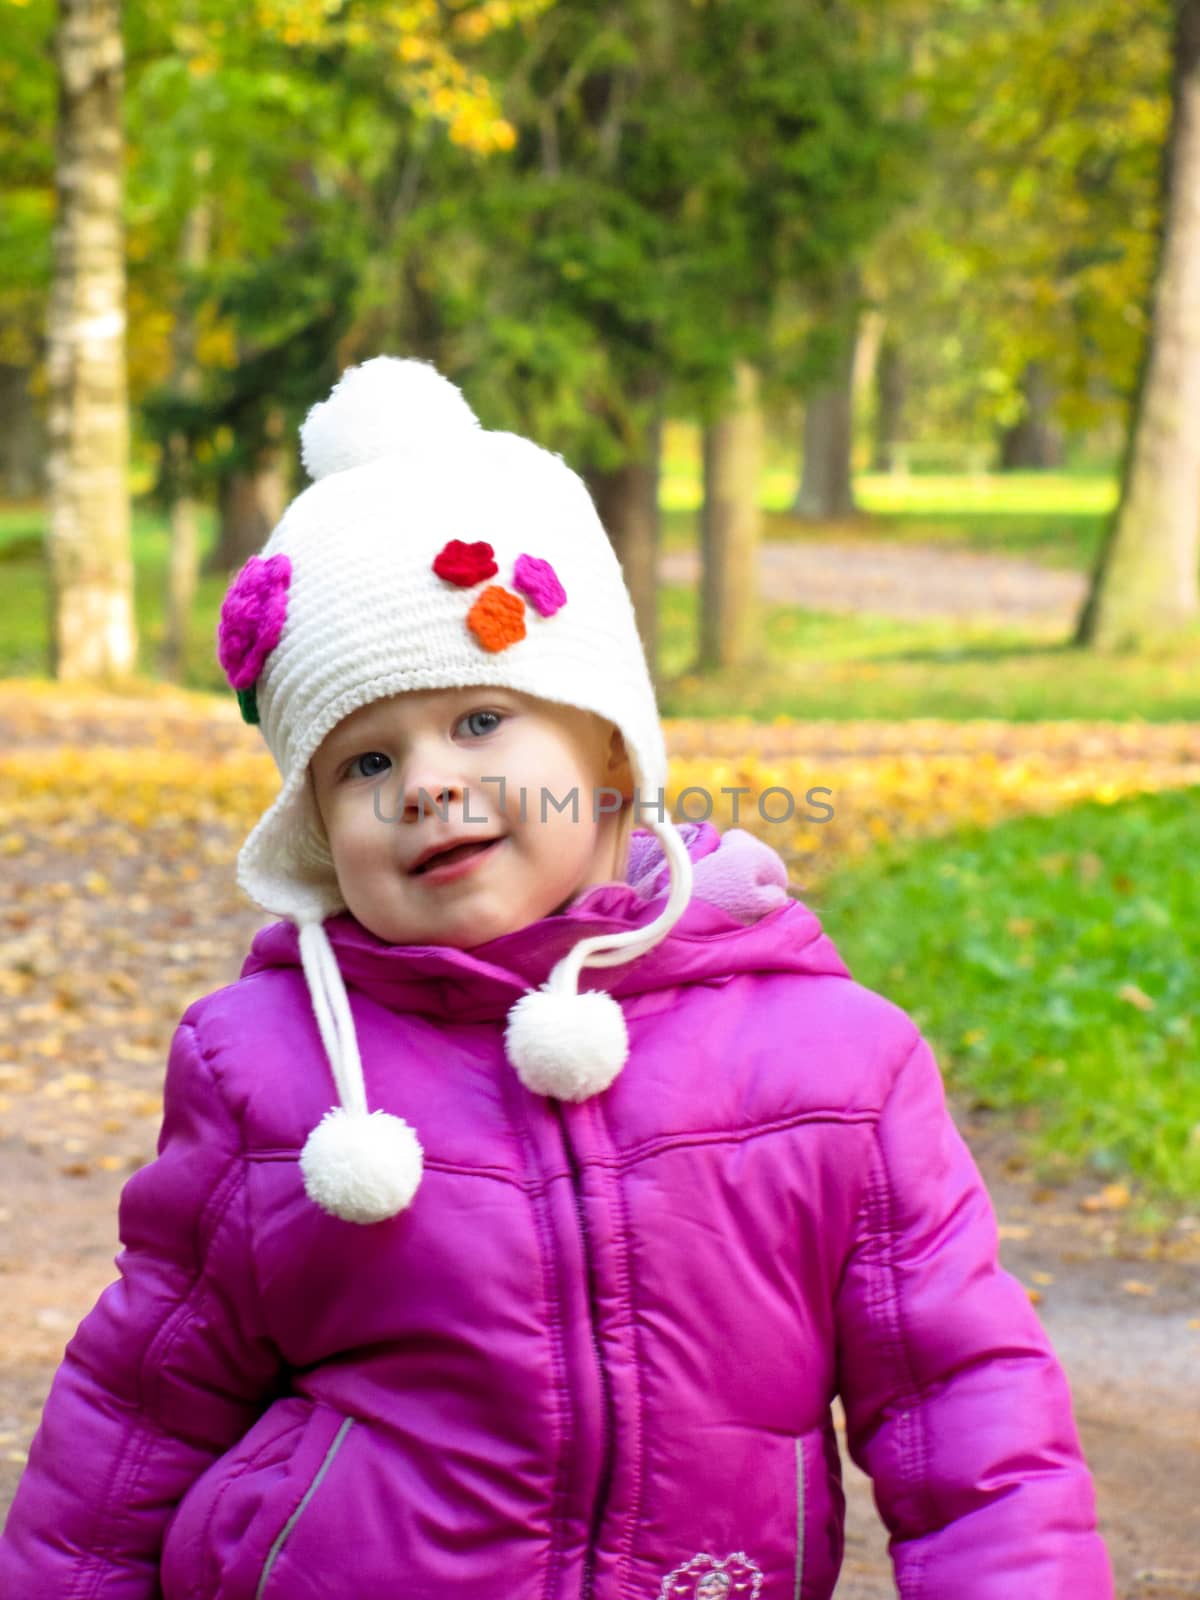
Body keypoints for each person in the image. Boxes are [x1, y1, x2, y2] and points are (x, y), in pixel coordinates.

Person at [0, 356, 1114, 1599]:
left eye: (481, 722)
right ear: (319, 823)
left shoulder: (832, 1063)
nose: (423, 782)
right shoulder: (270, 1073)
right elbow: (140, 1403)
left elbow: (962, 1397)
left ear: (608, 752)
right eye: (363, 760)